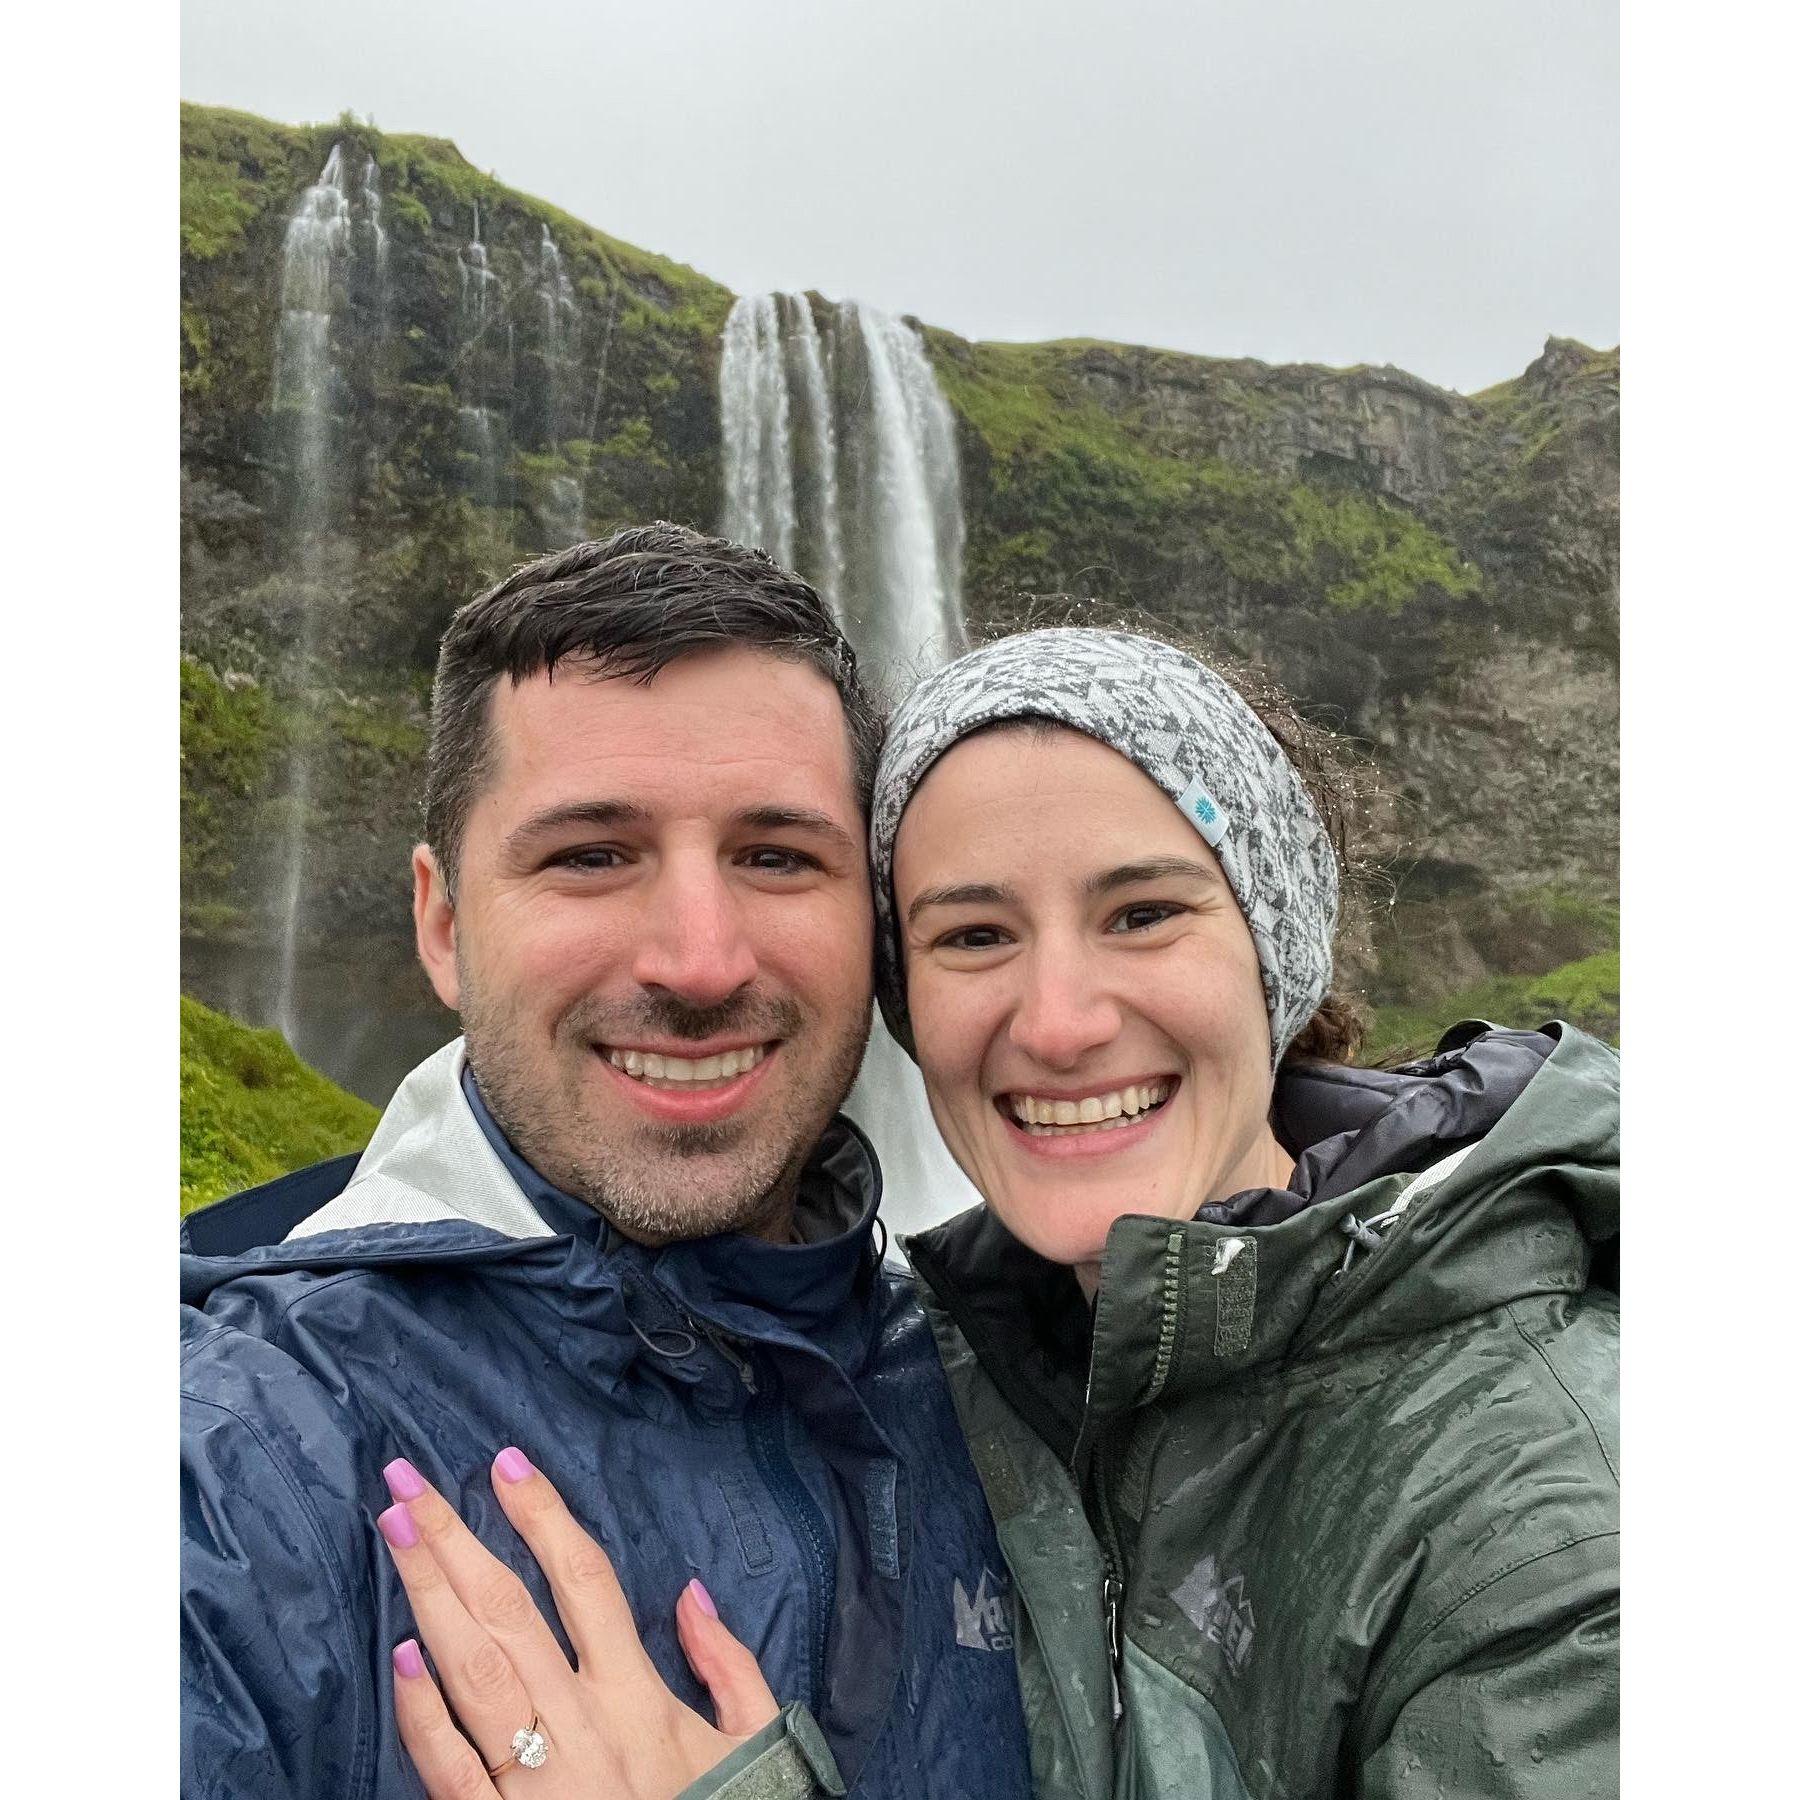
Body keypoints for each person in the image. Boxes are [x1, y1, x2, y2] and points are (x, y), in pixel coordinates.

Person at [179, 525, 1036, 1800]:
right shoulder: (237, 1467)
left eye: (776, 857)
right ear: (444, 922)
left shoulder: (1015, 1398)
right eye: (590, 855)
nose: (699, 961)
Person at [873, 627, 1620, 1797]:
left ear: (1276, 952)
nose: (1059, 1023)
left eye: (1142, 914)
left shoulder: (1549, 1531)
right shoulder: (927, 1375)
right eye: (974, 936)